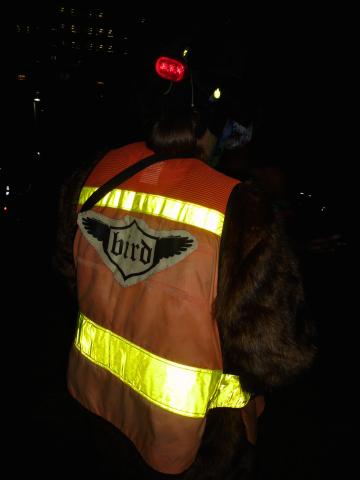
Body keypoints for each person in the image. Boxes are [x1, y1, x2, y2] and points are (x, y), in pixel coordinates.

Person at [54, 87, 316, 478]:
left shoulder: (95, 173)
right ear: (216, 129)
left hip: (101, 410)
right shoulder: (242, 210)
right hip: (200, 445)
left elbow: (68, 267)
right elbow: (276, 355)